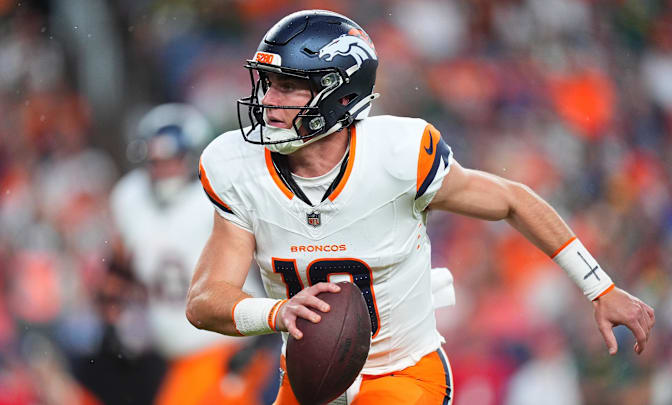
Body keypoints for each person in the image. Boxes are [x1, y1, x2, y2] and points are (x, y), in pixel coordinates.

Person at [185, 10, 655, 405]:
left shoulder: (399, 155)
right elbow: (205, 302)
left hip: (404, 374)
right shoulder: (238, 167)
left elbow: (513, 200)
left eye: (287, 87)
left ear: (339, 94)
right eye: (267, 84)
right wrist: (276, 313)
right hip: (310, 381)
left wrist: (600, 287)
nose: (268, 101)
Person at [110, 104, 278, 405]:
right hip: (176, 356)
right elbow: (122, 267)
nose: (163, 170)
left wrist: (261, 341)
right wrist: (124, 313)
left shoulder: (213, 200)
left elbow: (267, 266)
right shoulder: (130, 198)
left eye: (172, 160)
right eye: (156, 161)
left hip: (226, 347)